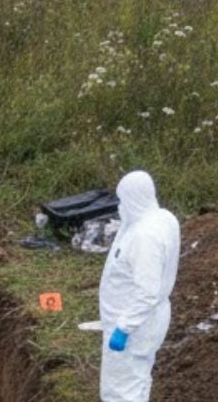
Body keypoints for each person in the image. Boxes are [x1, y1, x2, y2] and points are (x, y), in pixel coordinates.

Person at [99, 171, 180, 402]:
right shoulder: (163, 218)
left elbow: (147, 292)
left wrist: (124, 328)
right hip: (147, 320)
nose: (121, 206)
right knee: (138, 380)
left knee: (121, 392)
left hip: (134, 326)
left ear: (133, 198)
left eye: (123, 199)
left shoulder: (145, 237)